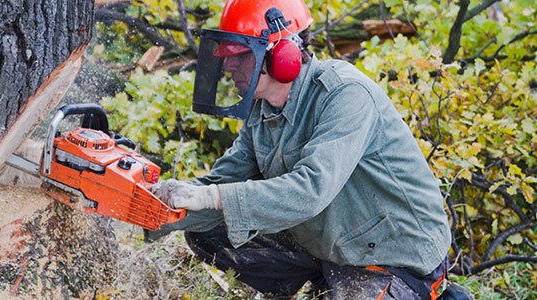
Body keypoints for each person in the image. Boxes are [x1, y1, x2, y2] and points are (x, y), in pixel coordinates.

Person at [148, 0, 452, 298]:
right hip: (333, 246)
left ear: (282, 54)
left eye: (240, 55)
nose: (228, 65)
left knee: (220, 205)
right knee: (209, 230)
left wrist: (211, 197)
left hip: (395, 258)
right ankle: (323, 285)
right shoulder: (262, 109)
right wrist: (152, 210)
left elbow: (310, 190)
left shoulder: (345, 95)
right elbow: (223, 183)